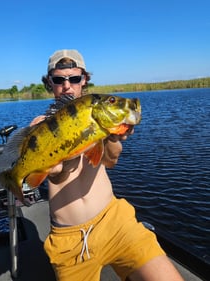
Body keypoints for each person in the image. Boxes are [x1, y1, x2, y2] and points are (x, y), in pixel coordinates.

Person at [30, 49, 184, 281]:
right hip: (70, 240)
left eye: (74, 78)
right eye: (59, 79)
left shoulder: (98, 113)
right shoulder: (41, 126)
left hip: (115, 220)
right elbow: (58, 178)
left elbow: (110, 161)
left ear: (84, 80)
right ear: (50, 83)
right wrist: (56, 168)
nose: (67, 86)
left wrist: (112, 137)